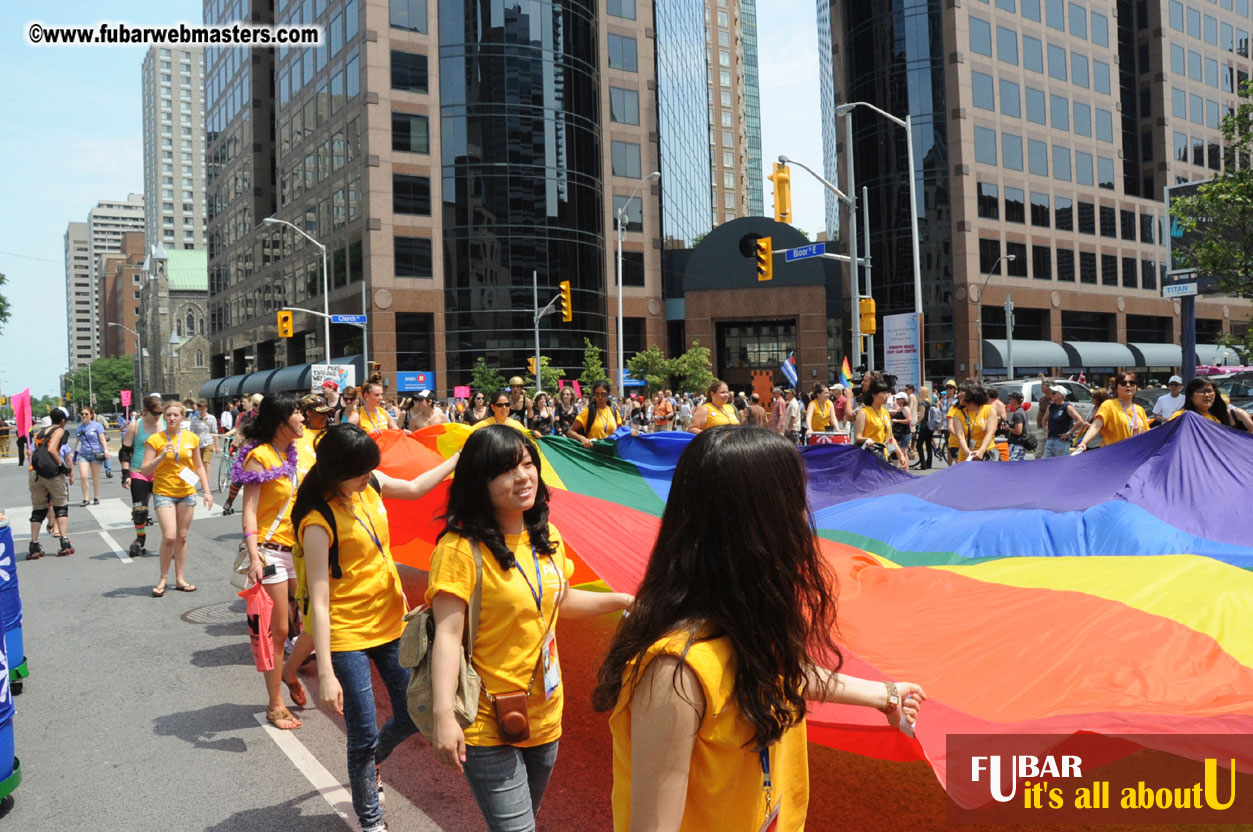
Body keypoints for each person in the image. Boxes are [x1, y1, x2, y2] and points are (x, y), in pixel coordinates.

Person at [591, 427, 924, 829]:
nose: (804, 517)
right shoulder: (674, 672)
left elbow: (786, 675)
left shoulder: (748, 625)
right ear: (754, 526)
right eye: (793, 501)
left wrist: (886, 695)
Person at [427, 425, 633, 830]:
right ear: (477, 483)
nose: (523, 477)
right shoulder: (458, 550)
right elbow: (448, 636)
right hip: (485, 717)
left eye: (527, 463)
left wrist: (621, 600)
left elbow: (559, 601)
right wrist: (443, 716)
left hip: (544, 712)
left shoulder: (546, 536)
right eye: (505, 470)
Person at [295, 424, 459, 832]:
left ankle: (372, 764)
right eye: (362, 471)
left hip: (390, 622)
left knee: (412, 713)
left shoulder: (371, 486)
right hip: (347, 633)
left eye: (371, 469)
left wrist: (460, 459)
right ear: (336, 471)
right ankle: (371, 820)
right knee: (362, 732)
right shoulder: (317, 521)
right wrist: (327, 673)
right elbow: (318, 599)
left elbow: (418, 486)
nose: (370, 476)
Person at [236, 393, 315, 730]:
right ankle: (275, 704)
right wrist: (254, 556)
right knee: (279, 630)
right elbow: (250, 510)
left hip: (302, 550)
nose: (303, 417)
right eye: (297, 412)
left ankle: (289, 670)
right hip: (271, 553)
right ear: (280, 421)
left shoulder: (297, 453)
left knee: (317, 621)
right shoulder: (260, 456)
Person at [140, 400, 213, 595]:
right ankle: (163, 578)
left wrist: (206, 491)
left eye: (176, 415)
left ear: (183, 417)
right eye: (169, 415)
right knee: (170, 536)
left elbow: (198, 466)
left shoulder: (191, 438)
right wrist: (161, 456)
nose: (172, 418)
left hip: (187, 492)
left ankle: (180, 579)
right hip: (164, 492)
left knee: (182, 536)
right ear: (164, 416)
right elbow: (145, 469)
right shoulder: (155, 440)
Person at [120, 394, 165, 558]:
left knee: (165, 510)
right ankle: (140, 537)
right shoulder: (135, 426)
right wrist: (125, 474)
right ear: (146, 410)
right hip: (138, 471)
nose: (158, 416)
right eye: (155, 413)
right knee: (140, 510)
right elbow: (125, 452)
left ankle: (168, 541)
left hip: (160, 471)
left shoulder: (165, 424)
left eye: (160, 413)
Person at [26, 407, 75, 559]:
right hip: (52, 474)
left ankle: (34, 544)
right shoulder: (59, 430)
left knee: (38, 509)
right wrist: (63, 467)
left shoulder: (39, 432)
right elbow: (53, 449)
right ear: (62, 420)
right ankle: (64, 541)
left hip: (35, 472)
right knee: (60, 506)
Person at [1076, 373, 1149, 453]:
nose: (1128, 385)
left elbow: (1148, 434)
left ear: (1136, 387)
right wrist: (1084, 442)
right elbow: (1096, 426)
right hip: (1113, 456)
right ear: (1116, 388)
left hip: (1135, 455)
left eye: (1132, 383)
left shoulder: (1140, 410)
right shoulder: (1108, 405)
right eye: (1123, 383)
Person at [221, 394, 263, 515]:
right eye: (255, 404)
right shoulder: (246, 417)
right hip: (249, 450)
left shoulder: (267, 416)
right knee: (239, 476)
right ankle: (229, 501)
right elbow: (239, 432)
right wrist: (233, 447)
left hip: (264, 450)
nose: (258, 407)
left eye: (260, 405)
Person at [854, 379, 906, 468]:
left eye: (887, 393)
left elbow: (890, 438)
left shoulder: (885, 413)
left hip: (883, 456)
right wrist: (867, 440)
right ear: (874, 395)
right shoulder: (864, 413)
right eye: (883, 393)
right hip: (868, 457)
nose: (887, 396)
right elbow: (858, 437)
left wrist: (900, 454)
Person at [1168, 377, 1253, 430]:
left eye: (1209, 391)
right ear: (1190, 396)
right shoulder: (1180, 416)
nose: (1207, 395)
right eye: (1201, 392)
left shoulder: (1215, 419)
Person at [953, 380, 999, 463]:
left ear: (971, 392)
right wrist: (968, 454)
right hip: (965, 458)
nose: (958, 394)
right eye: (958, 392)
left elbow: (990, 433)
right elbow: (960, 436)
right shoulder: (958, 414)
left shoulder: (989, 410)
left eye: (961, 391)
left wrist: (981, 451)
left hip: (987, 455)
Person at [73, 406, 109, 506]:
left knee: (95, 477)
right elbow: (78, 442)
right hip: (83, 454)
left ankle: (96, 497)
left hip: (95, 454)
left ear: (91, 415)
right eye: (82, 414)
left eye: (86, 414)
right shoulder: (79, 428)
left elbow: (102, 439)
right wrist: (75, 456)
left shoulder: (97, 426)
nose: (84, 416)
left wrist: (106, 450)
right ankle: (86, 498)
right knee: (83, 476)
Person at [567, 380, 620, 447]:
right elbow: (570, 432)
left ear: (608, 395)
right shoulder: (588, 411)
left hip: (611, 452)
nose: (600, 397)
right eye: (597, 394)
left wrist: (630, 432)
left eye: (603, 394)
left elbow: (621, 431)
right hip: (593, 452)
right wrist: (582, 438)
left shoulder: (614, 411)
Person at [1041, 384, 1086, 458]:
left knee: (1060, 463)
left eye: (1054, 393)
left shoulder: (1067, 407)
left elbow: (1080, 421)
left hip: (1062, 441)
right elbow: (1044, 419)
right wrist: (1045, 432)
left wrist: (1068, 433)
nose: (1052, 394)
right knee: (1047, 462)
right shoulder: (1051, 406)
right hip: (1051, 438)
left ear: (1061, 395)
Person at [189, 400, 219, 479]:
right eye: (200, 409)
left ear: (206, 408)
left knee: (206, 462)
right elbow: (192, 433)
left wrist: (217, 445)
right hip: (198, 444)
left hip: (208, 442)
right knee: (199, 463)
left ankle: (206, 481)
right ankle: (201, 478)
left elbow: (215, 432)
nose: (202, 410)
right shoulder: (195, 419)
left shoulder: (211, 418)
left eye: (203, 408)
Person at [1004, 391, 1030, 461]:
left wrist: (1008, 428)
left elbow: (1018, 431)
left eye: (1010, 399)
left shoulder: (1018, 414)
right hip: (1017, 444)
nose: (1009, 400)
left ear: (1015, 400)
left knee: (1014, 466)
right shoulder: (1021, 411)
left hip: (1018, 445)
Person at [913, 391, 936, 470]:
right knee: (928, 444)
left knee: (919, 445)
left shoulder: (923, 403)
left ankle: (923, 464)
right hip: (930, 426)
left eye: (919, 393)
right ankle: (929, 464)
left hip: (924, 426)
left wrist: (916, 423)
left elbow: (922, 416)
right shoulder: (930, 402)